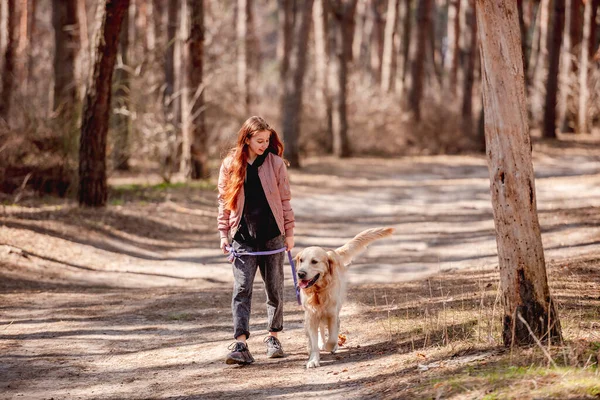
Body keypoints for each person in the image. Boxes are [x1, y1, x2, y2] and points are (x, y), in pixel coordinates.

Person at [217, 116, 295, 365]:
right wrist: (223, 234)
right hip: (243, 239)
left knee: (274, 289)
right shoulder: (231, 164)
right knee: (241, 290)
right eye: (259, 140)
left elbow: (285, 201)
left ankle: (273, 337)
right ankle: (240, 343)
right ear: (247, 138)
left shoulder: (276, 163)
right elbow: (224, 203)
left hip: (273, 237)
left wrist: (290, 233)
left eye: (267, 140)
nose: (264, 145)